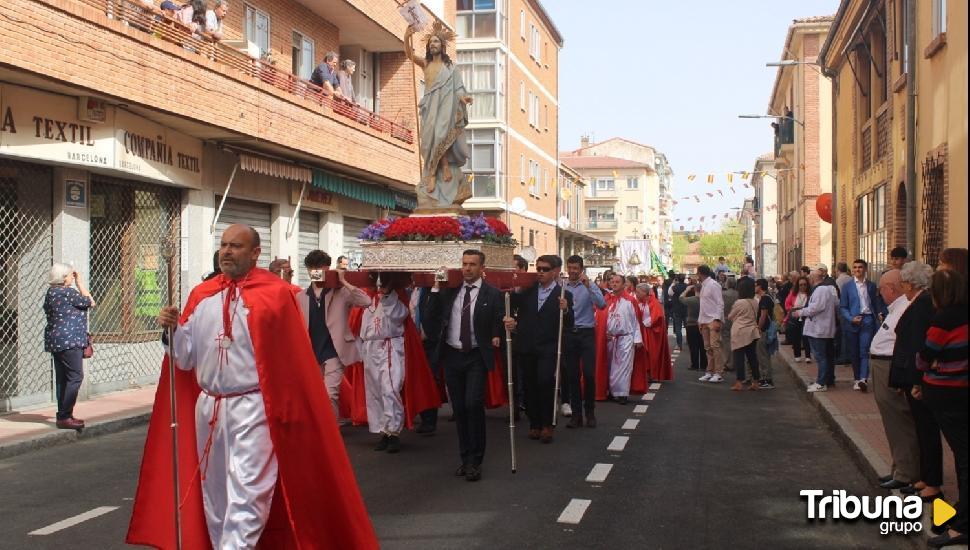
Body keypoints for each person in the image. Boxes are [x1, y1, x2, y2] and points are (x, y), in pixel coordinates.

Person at [128, 224, 377, 549]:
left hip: (255, 406)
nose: (227, 251)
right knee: (215, 492)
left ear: (255, 253)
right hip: (210, 408)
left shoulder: (275, 295)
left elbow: (292, 358)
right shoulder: (203, 296)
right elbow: (186, 358)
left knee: (248, 490)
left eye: (236, 246)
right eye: (224, 245)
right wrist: (173, 331)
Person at [426, 250, 504, 482]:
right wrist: (435, 288)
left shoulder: (492, 293)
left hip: (476, 356)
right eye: (464, 264)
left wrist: (501, 330)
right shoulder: (451, 291)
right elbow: (430, 317)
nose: (467, 268)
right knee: (459, 408)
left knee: (473, 404)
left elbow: (499, 318)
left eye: (472, 264)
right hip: (452, 355)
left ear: (482, 268)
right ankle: (465, 457)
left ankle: (476, 460)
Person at [916, 269, 968, 548]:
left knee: (964, 457)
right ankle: (962, 512)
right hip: (959, 392)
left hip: (947, 394)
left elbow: (924, 358)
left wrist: (933, 363)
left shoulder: (944, 319)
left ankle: (963, 526)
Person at [885, 262, 941, 498]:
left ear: (910, 283)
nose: (903, 287)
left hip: (919, 378)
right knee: (921, 428)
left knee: (927, 430)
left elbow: (918, 346)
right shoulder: (919, 302)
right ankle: (925, 478)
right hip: (914, 376)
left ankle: (932, 482)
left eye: (904, 283)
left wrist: (916, 381)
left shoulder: (922, 305)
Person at [295, 250, 371, 423]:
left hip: (335, 350)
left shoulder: (341, 292)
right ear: (308, 270)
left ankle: (332, 432)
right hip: (313, 350)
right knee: (316, 395)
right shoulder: (300, 297)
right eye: (312, 270)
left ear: (328, 269)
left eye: (321, 270)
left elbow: (366, 301)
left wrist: (344, 281)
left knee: (330, 394)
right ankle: (322, 430)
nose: (317, 274)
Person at [404, 22, 473, 209]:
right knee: (429, 141)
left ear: (443, 46)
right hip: (429, 107)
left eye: (436, 42)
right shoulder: (426, 64)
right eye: (431, 42)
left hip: (446, 106)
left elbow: (459, 88)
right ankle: (435, 169)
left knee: (442, 135)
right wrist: (406, 36)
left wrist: (464, 98)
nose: (433, 44)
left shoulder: (452, 69)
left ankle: (436, 173)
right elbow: (409, 55)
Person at [506, 255, 573, 443]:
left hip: (548, 347)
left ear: (555, 272)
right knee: (529, 386)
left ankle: (547, 424)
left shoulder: (563, 294)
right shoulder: (528, 291)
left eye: (545, 269)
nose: (541, 272)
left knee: (545, 383)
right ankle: (534, 423)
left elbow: (569, 323)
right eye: (539, 269)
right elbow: (511, 303)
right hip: (527, 346)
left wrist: (566, 309)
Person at [868, 269, 919, 492]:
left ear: (891, 288)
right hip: (883, 366)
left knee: (899, 421)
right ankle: (899, 466)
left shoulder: (904, 308)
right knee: (892, 422)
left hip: (889, 367)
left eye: (881, 289)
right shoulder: (897, 308)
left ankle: (906, 471)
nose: (880, 293)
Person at [43, 263, 96, 431]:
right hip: (70, 341)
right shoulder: (68, 293)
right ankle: (65, 416)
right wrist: (80, 283)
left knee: (62, 379)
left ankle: (64, 414)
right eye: (70, 275)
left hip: (56, 342)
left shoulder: (51, 293)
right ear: (64, 277)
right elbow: (90, 302)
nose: (72, 278)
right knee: (75, 377)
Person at [360, 280, 410, 453]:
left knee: (390, 389)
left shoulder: (396, 298)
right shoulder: (369, 300)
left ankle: (394, 432)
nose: (379, 286)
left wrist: (388, 293)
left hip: (389, 348)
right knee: (375, 392)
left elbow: (399, 315)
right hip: (371, 349)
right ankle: (384, 431)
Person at [563, 255, 606, 428]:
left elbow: (602, 304)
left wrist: (589, 286)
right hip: (569, 334)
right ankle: (576, 415)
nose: (573, 271)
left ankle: (590, 412)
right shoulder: (562, 286)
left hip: (587, 333)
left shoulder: (590, 285)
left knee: (588, 374)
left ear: (581, 269)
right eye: (570, 267)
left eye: (576, 268)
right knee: (572, 376)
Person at [595, 273, 642, 403]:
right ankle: (610, 391)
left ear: (623, 284)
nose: (614, 284)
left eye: (617, 282)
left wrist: (637, 339)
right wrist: (603, 332)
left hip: (625, 338)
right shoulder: (606, 299)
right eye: (612, 282)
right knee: (610, 366)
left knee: (623, 367)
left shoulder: (630, 300)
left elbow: (636, 320)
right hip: (609, 338)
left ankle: (622, 393)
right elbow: (599, 317)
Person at [840, 259, 884, 391]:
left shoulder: (871, 285)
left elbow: (875, 303)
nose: (857, 269)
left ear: (865, 269)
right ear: (852, 270)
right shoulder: (847, 286)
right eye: (855, 267)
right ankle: (857, 378)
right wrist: (851, 318)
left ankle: (863, 378)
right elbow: (843, 307)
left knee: (864, 350)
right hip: (853, 321)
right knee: (854, 352)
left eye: (860, 267)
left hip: (868, 320)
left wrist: (879, 314)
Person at [793, 270, 839, 392]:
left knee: (821, 356)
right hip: (824, 328)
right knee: (827, 356)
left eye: (810, 278)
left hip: (819, 329)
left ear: (813, 278)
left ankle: (821, 382)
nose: (809, 280)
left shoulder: (821, 290)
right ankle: (828, 380)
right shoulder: (826, 289)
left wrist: (800, 312)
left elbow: (816, 307)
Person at [727, 277, 760, 391]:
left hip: (740, 332)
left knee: (739, 358)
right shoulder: (755, 301)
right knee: (752, 358)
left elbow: (731, 316)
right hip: (752, 331)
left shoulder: (739, 302)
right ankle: (756, 382)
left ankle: (739, 382)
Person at [635, 283, 673, 382]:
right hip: (643, 331)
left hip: (652, 334)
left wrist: (643, 323)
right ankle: (646, 373)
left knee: (653, 354)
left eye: (638, 292)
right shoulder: (640, 301)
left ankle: (653, 374)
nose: (636, 294)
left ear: (645, 292)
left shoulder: (654, 302)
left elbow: (657, 317)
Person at [697, 265, 725, 383]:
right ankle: (710, 371)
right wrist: (700, 320)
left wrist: (717, 319)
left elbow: (720, 303)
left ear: (700, 273)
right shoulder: (704, 286)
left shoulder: (714, 285)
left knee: (715, 346)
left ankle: (718, 372)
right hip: (704, 320)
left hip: (713, 319)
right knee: (707, 347)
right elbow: (703, 305)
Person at [755, 278, 777, 389]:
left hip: (763, 330)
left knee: (762, 356)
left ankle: (767, 379)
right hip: (767, 330)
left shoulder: (764, 299)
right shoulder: (768, 297)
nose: (755, 287)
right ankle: (766, 378)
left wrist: (758, 328)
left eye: (756, 285)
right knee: (765, 355)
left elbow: (763, 315)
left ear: (760, 286)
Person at [784, 276, 812, 362]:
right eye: (800, 285)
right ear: (798, 285)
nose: (803, 286)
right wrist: (792, 308)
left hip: (805, 317)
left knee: (806, 336)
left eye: (804, 284)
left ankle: (808, 356)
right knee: (796, 336)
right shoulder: (793, 293)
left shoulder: (810, 294)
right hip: (795, 317)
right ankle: (797, 355)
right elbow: (787, 304)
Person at [680, 283, 707, 372]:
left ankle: (694, 364)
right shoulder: (705, 300)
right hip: (703, 324)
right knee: (703, 346)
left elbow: (681, 298)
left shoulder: (691, 300)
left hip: (691, 324)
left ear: (695, 290)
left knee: (693, 346)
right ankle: (704, 365)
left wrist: (687, 290)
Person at [720, 277, 739, 372]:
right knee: (735, 340)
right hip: (737, 319)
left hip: (726, 318)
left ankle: (727, 362)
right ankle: (735, 362)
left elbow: (720, 307)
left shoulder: (723, 294)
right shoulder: (738, 294)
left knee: (726, 341)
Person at [669, 274, 688, 351]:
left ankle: (679, 345)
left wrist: (673, 283)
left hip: (677, 309)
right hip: (686, 309)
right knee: (688, 327)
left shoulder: (674, 287)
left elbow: (669, 293)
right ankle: (689, 341)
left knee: (678, 328)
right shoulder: (687, 287)